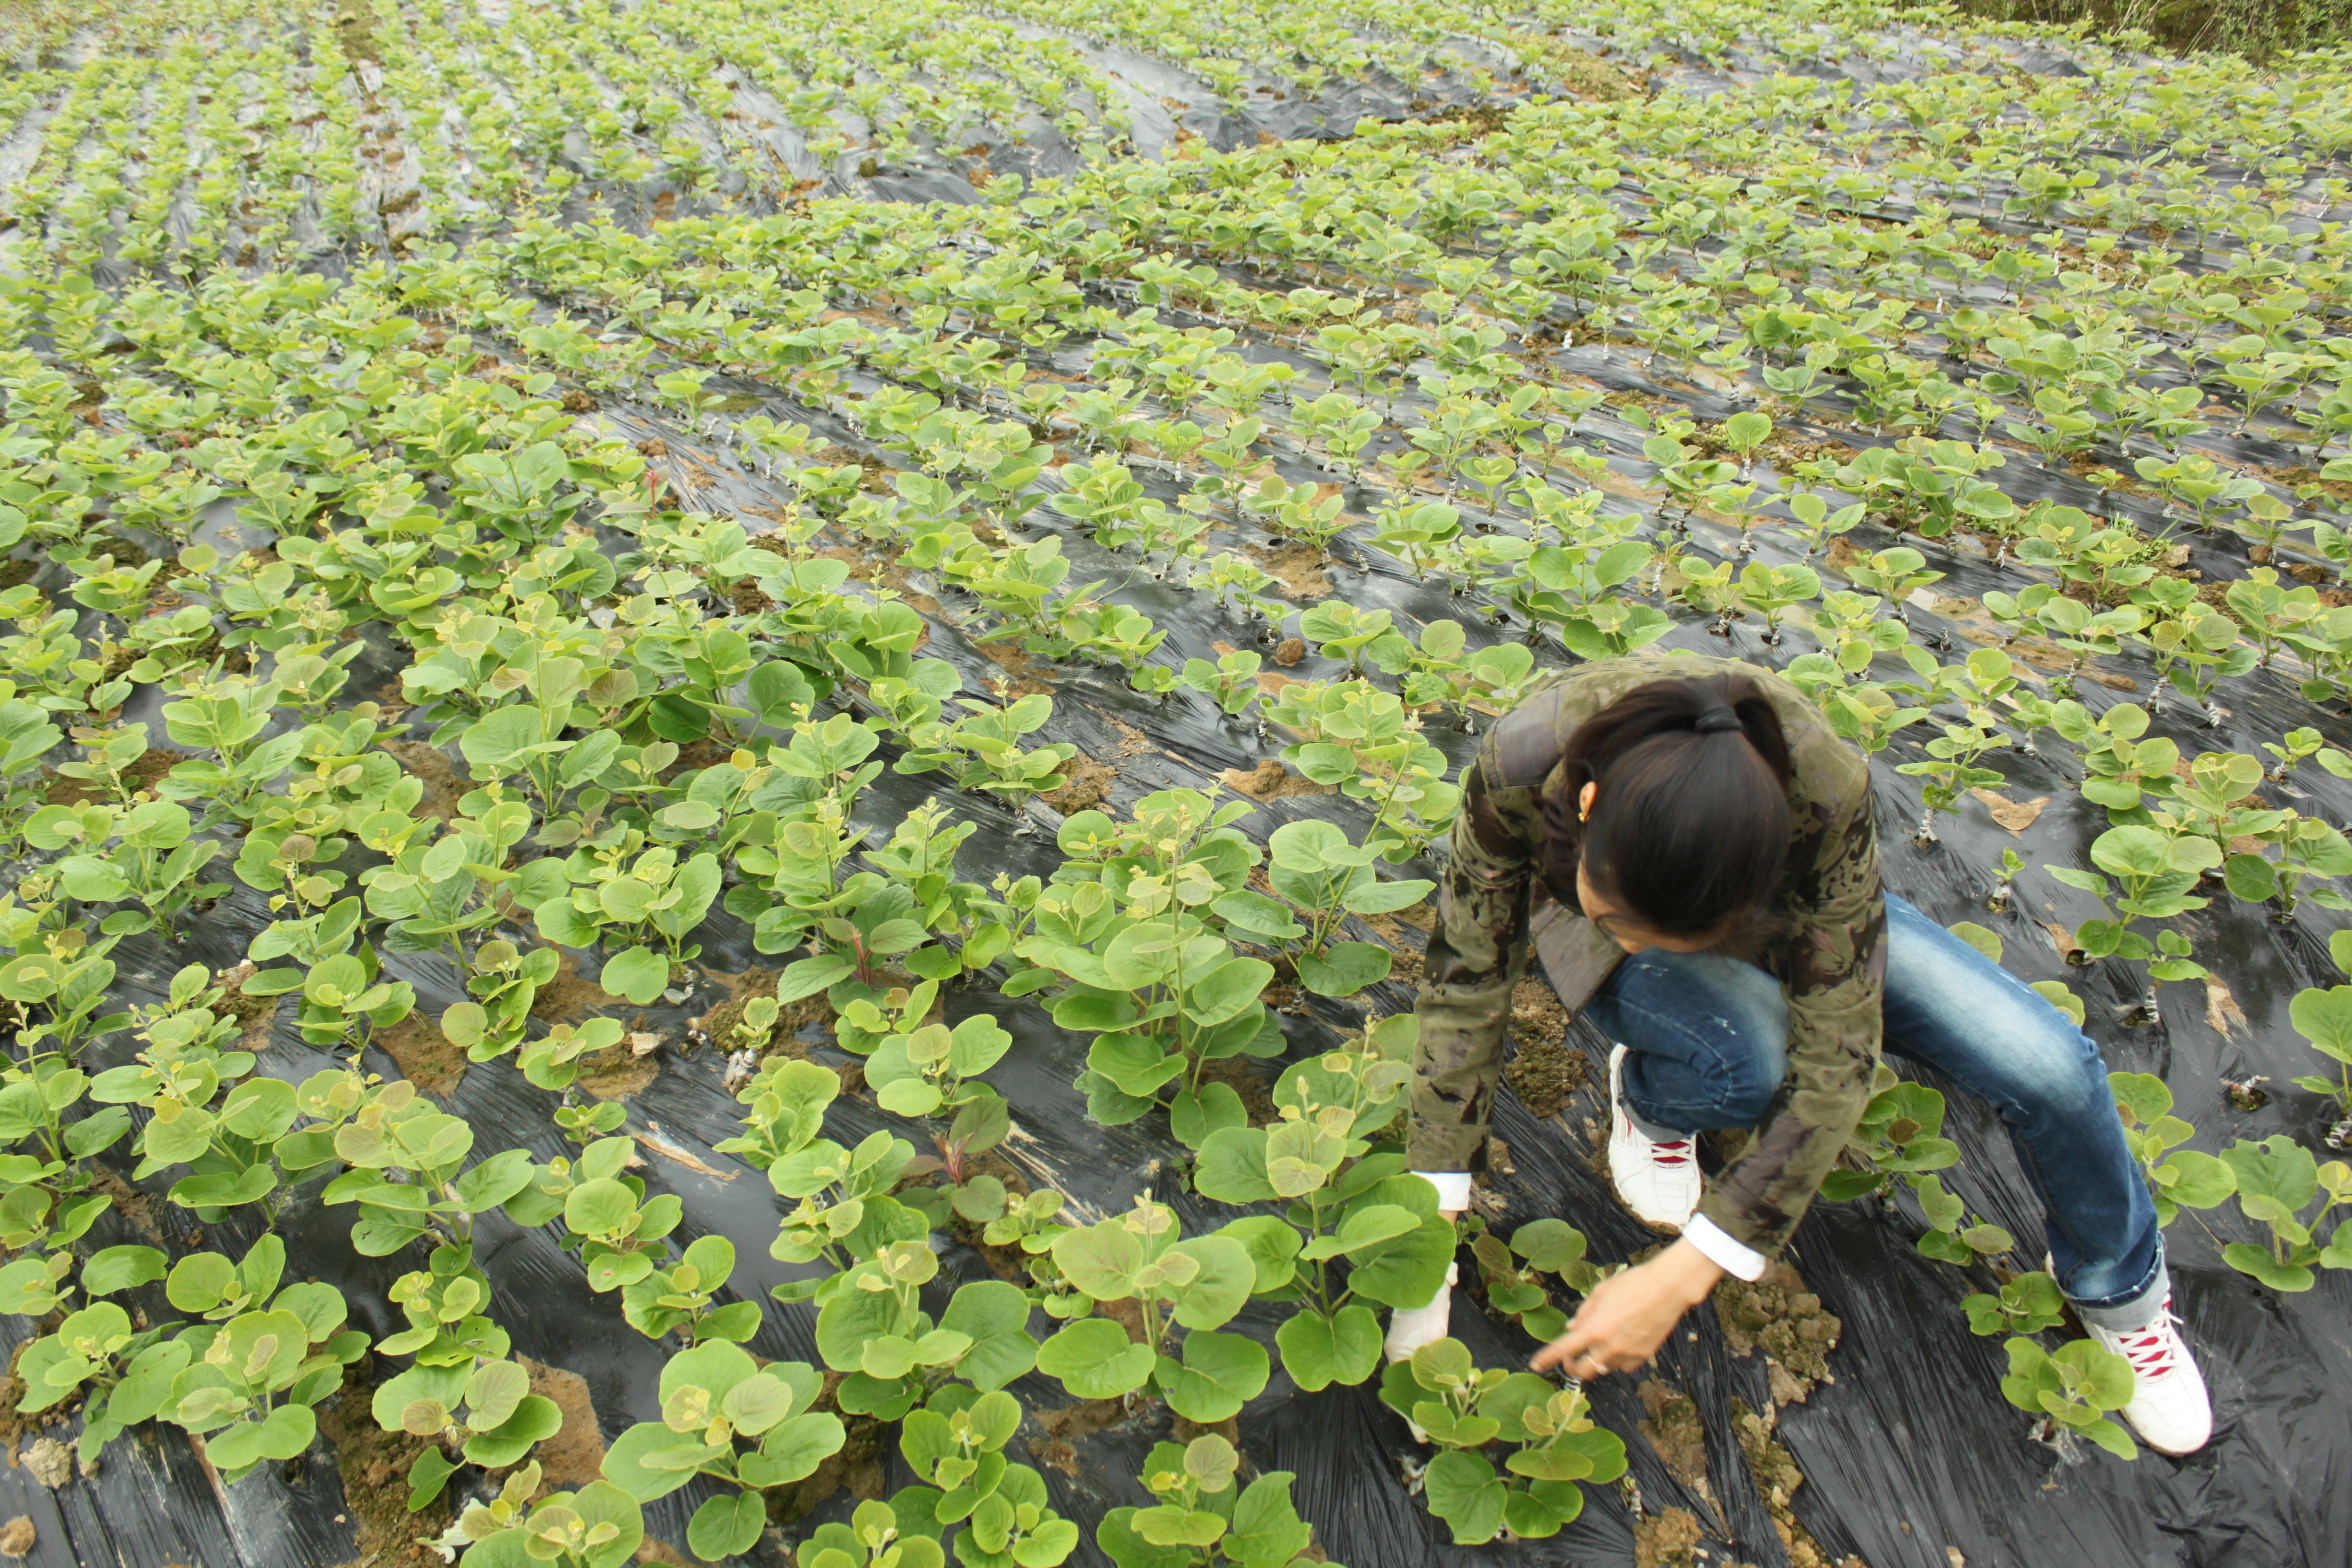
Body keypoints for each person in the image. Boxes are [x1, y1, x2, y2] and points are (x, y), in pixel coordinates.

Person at [1385, 652, 2211, 1455]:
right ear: (1591, 801)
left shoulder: (1820, 789)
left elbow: (1840, 1052)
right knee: (1747, 1062)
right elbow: (1467, 985)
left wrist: (1692, 1265)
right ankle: (1651, 1098)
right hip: (1590, 905)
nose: (1650, 946)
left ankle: (2123, 1300)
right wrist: (1426, 1247)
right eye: (1632, 926)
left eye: (1670, 939)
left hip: (1770, 904)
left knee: (2051, 1065)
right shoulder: (1526, 763)